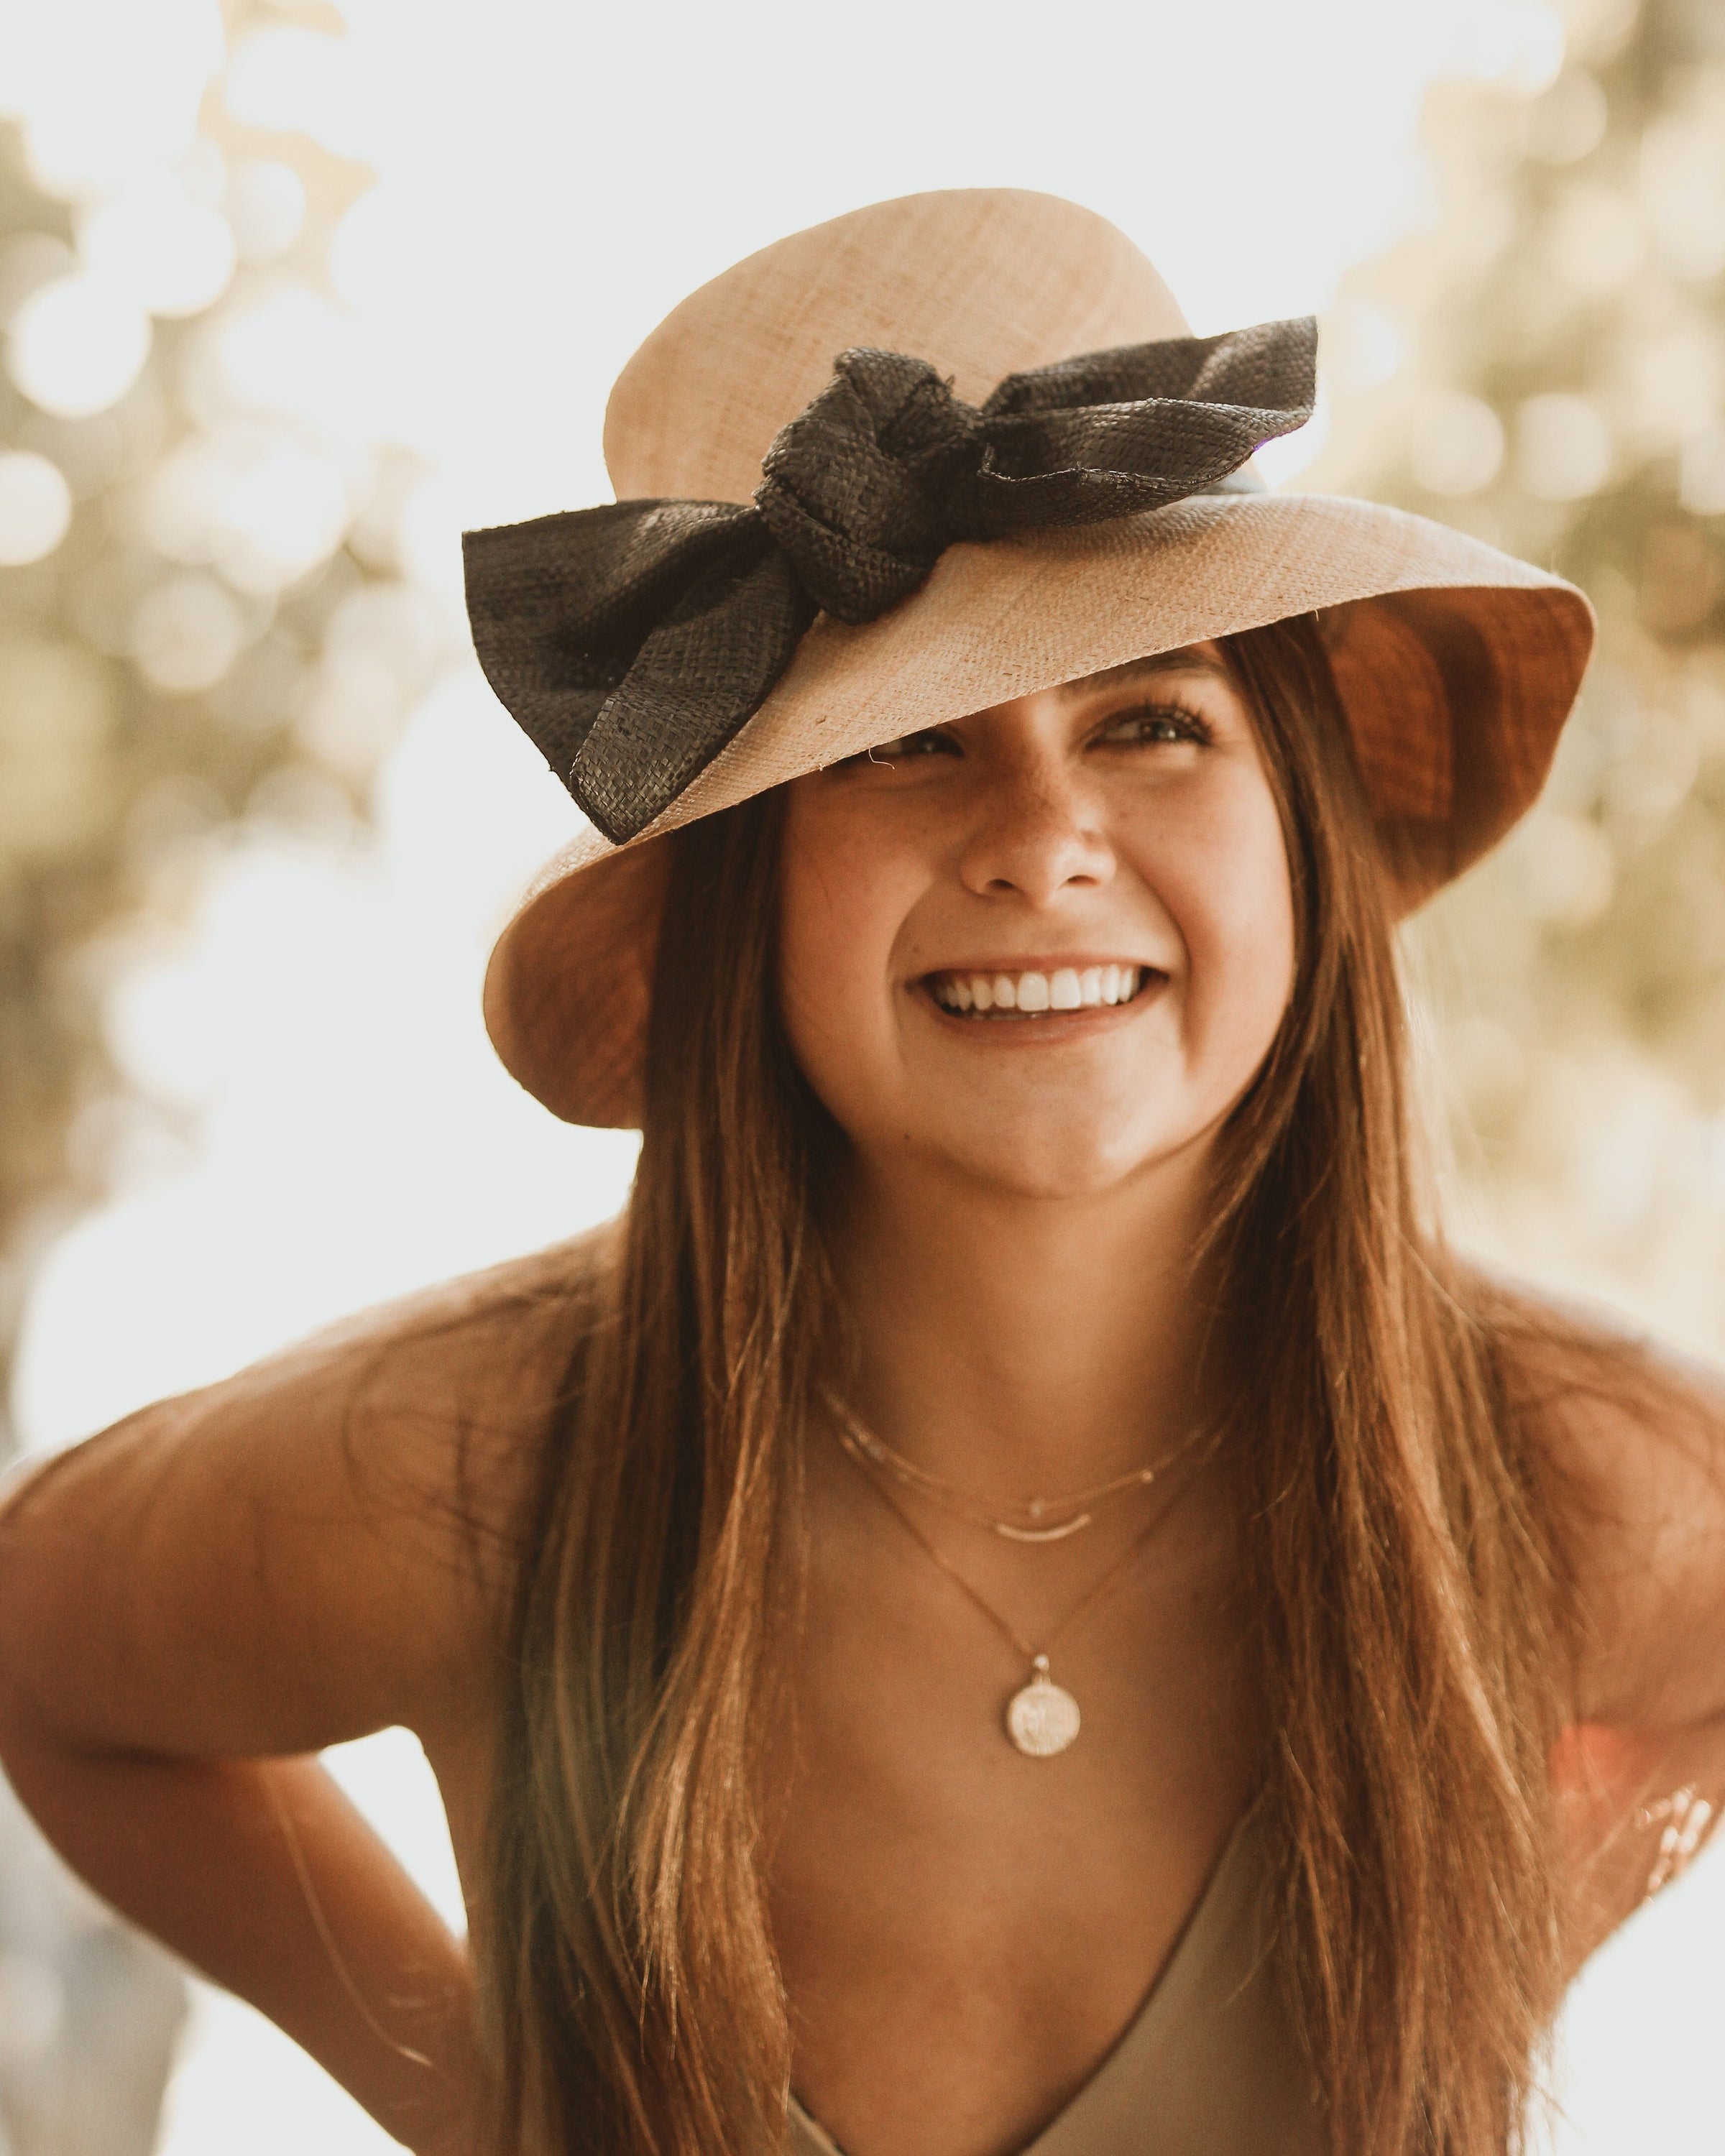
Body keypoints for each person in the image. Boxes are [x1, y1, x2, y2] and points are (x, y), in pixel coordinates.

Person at [1, 188, 1723, 2156]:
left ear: (1306, 842)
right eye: (905, 752)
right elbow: (52, 1658)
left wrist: (1496, 1926)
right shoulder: (481, 1473)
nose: (1044, 836)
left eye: (1154, 720)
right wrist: (480, 2098)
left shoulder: (1559, 1486)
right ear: (744, 901)